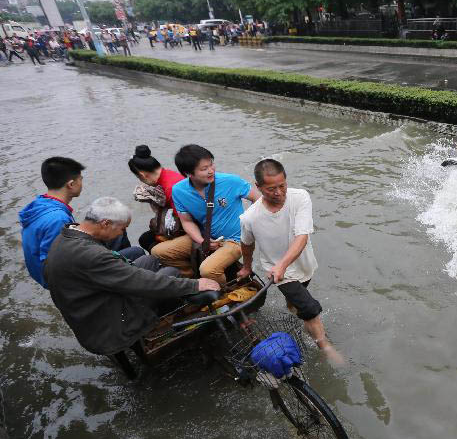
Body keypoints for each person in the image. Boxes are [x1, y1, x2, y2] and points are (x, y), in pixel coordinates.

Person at [43, 197, 219, 356]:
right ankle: (172, 327)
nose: (121, 234)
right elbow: (144, 282)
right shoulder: (92, 255)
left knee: (150, 260)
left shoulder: (67, 235)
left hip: (92, 304)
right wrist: (194, 285)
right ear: (105, 223)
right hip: (108, 324)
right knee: (171, 273)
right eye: (122, 229)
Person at [238, 159, 343, 364]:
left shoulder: (300, 197)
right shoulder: (250, 217)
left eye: (282, 185)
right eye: (271, 189)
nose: (278, 192)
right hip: (278, 272)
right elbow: (246, 244)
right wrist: (247, 267)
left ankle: (295, 310)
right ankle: (326, 347)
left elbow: (302, 236)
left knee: (297, 302)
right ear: (258, 187)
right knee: (310, 308)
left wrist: (283, 264)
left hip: (302, 263)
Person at [151, 144, 260, 285]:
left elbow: (258, 199)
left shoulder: (231, 181)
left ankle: (223, 292)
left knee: (208, 270)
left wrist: (249, 226)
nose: (211, 171)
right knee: (159, 252)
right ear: (188, 173)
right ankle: (192, 280)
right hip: (206, 236)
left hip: (235, 240)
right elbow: (187, 221)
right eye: (204, 169)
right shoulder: (178, 191)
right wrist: (203, 241)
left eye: (211, 165)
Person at [19, 157, 85, 287]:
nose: (82, 183)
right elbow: (56, 265)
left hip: (40, 274)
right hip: (62, 285)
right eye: (81, 179)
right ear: (71, 184)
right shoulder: (58, 219)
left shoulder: (40, 203)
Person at [128, 145, 185, 252]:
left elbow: (184, 219)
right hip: (184, 222)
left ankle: (180, 267)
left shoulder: (170, 188)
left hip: (190, 228)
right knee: (146, 237)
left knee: (147, 240)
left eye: (138, 178)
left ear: (142, 175)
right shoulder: (169, 174)